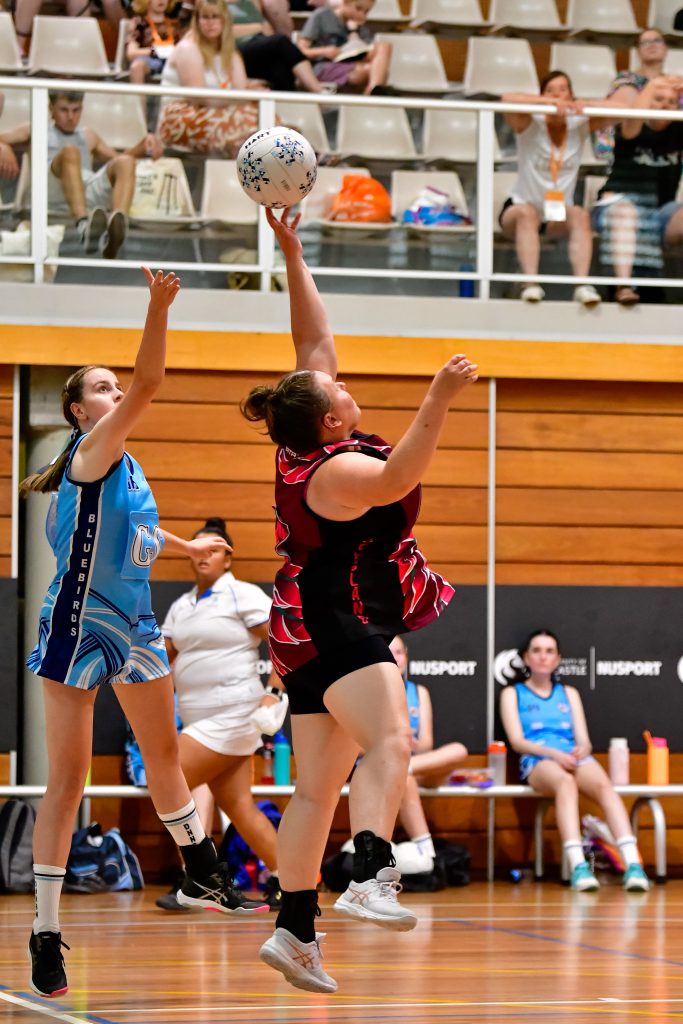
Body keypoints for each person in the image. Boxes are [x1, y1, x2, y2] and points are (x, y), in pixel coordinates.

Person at [241, 207, 478, 994]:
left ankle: (293, 928)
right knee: (392, 744)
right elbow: (399, 478)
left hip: (301, 623)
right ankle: (371, 873)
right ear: (333, 417)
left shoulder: (299, 434)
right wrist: (439, 397)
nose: (340, 379)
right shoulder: (337, 470)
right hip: (336, 616)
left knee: (315, 786)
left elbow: (310, 344)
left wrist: (291, 251)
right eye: (338, 389)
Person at [20, 268, 268, 999]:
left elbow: (131, 538)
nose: (113, 393)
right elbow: (152, 381)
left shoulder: (123, 464)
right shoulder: (94, 452)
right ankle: (43, 931)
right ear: (77, 410)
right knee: (69, 783)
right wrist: (158, 307)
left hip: (134, 624)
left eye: (109, 385)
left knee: (164, 756)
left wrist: (184, 550)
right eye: (99, 387)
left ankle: (201, 871)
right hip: (77, 622)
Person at [157, 515, 286, 912]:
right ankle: (294, 882)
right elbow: (162, 663)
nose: (204, 555)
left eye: (214, 548)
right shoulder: (181, 606)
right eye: (198, 547)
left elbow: (284, 639)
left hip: (235, 714)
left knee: (168, 778)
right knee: (240, 809)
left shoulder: (242, 595)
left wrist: (274, 694)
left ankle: (204, 878)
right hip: (196, 719)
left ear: (228, 558)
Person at [499, 629, 651, 894]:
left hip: (571, 755)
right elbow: (517, 741)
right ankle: (579, 866)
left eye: (549, 651)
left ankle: (633, 865)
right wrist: (555, 755)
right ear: (525, 658)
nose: (543, 657)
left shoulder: (568, 693)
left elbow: (584, 739)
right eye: (536, 651)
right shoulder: (513, 694)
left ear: (558, 659)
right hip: (538, 759)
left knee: (604, 786)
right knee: (565, 783)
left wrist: (582, 750)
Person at [0, 90, 163, 259]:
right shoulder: (35, 129)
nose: (71, 117)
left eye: (76, 110)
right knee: (70, 152)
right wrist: (3, 147)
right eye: (64, 110)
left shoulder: (88, 135)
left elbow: (118, 160)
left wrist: (143, 146)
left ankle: (116, 230)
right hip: (50, 189)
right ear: (51, 109)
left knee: (126, 162)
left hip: (85, 188)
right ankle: (84, 226)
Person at [500, 71, 609, 307]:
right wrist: (547, 103)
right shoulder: (529, 122)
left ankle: (582, 286)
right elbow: (507, 99)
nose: (558, 95)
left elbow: (622, 108)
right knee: (526, 214)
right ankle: (530, 284)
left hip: (555, 211)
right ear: (542, 95)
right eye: (551, 90)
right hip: (520, 207)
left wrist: (586, 104)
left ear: (571, 94)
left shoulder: (579, 125)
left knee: (580, 215)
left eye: (563, 90)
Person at [592, 75, 683, 306]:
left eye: (670, 102)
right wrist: (654, 84)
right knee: (625, 211)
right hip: (617, 202)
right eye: (658, 99)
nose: (663, 106)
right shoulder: (632, 128)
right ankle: (623, 286)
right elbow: (633, 118)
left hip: (660, 211)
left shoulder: (678, 130)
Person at [388, 636, 467, 870]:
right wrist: (393, 743)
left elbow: (427, 743)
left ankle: (406, 768)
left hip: (415, 762)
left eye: (399, 652)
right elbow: (358, 744)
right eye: (388, 652)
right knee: (404, 776)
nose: (394, 657)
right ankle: (429, 853)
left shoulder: (418, 691)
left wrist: (409, 744)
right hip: (382, 766)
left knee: (458, 750)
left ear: (406, 656)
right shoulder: (369, 690)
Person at [157, 0, 260, 158]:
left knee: (264, 117)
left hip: (218, 110)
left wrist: (249, 93)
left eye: (215, 17)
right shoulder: (189, 48)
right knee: (242, 127)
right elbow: (200, 98)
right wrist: (237, 98)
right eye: (205, 17)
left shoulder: (230, 52)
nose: (210, 23)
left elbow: (241, 90)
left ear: (224, 20)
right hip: (181, 115)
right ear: (197, 20)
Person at [594, 27, 675, 165]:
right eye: (645, 42)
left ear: (666, 48)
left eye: (657, 40)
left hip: (667, 150)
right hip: (630, 150)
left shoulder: (673, 82)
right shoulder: (625, 80)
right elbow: (625, 114)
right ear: (637, 51)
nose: (652, 45)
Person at [228, 0, 336, 94]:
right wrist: (257, 27)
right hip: (236, 49)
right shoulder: (218, 5)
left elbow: (268, 27)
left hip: (260, 44)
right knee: (280, 40)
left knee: (280, 66)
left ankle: (290, 110)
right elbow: (226, 32)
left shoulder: (250, 2)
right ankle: (318, 90)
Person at [298, 0, 391, 96]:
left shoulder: (359, 26)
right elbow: (300, 51)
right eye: (358, 8)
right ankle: (371, 97)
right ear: (345, 3)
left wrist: (354, 32)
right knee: (373, 73)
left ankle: (371, 92)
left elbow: (368, 53)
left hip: (350, 63)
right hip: (323, 66)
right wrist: (324, 51)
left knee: (384, 47)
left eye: (366, 11)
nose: (361, 14)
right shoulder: (321, 15)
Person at [126, 0, 182, 91]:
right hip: (152, 60)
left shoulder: (175, 23)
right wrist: (154, 51)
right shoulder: (139, 23)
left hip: (173, 60)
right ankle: (139, 105)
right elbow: (131, 53)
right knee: (137, 66)